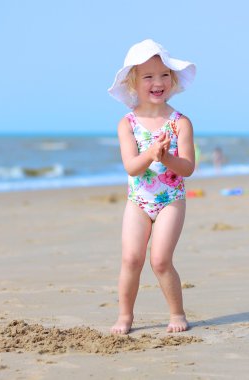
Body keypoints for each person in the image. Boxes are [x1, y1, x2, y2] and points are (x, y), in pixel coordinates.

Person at [108, 39, 196, 334]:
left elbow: (188, 168)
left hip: (171, 199)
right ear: (133, 81)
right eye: (148, 76)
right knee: (131, 258)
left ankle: (177, 313)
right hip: (138, 201)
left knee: (160, 260)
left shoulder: (180, 123)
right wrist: (150, 153)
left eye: (164, 75)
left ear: (173, 79)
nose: (157, 82)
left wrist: (166, 156)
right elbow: (132, 166)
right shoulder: (127, 123)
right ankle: (124, 316)